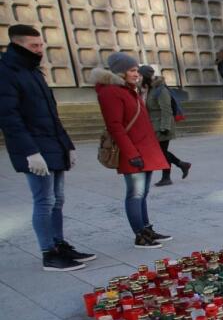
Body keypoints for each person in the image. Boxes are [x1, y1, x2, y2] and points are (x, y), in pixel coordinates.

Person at [0, 24, 94, 271]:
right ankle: (48, 253)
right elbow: (9, 117)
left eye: (41, 45)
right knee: (44, 200)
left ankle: (59, 244)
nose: (40, 49)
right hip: (34, 149)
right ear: (17, 44)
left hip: (53, 145)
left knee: (58, 199)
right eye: (34, 46)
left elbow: (51, 114)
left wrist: (68, 146)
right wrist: (30, 152)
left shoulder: (33, 71)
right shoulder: (7, 72)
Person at [92, 52, 171, 249]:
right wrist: (131, 153)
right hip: (133, 151)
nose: (137, 74)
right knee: (135, 194)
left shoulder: (128, 89)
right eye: (133, 70)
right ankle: (140, 235)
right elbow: (115, 126)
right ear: (121, 72)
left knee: (142, 193)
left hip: (144, 148)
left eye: (137, 70)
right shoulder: (111, 92)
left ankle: (146, 228)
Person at [141, 65, 191, 186]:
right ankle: (181, 165)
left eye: (140, 76)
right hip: (154, 125)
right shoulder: (150, 89)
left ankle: (168, 176)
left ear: (146, 76)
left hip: (163, 125)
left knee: (161, 152)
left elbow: (166, 110)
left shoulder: (160, 89)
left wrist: (165, 127)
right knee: (162, 152)